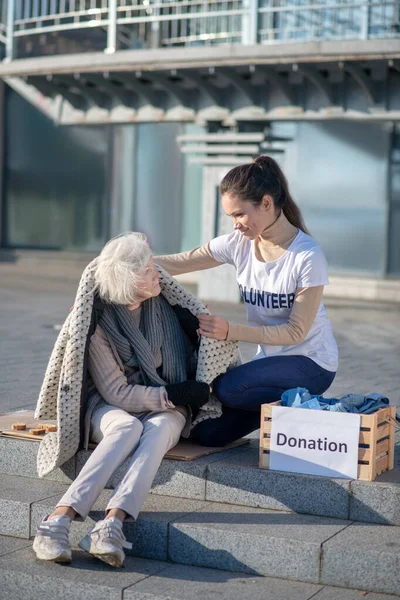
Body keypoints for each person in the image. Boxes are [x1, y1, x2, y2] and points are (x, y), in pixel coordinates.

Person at [32, 232, 221, 568]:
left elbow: (201, 347)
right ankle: (58, 520)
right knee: (126, 428)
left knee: (162, 426)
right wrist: (171, 394)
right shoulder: (97, 325)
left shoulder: (164, 305)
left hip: (164, 403)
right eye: (148, 270)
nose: (157, 273)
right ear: (129, 284)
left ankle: (112, 524)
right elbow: (117, 393)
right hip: (110, 404)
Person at [156, 155, 338, 437]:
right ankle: (284, 412)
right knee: (208, 434)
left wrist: (230, 331)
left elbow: (295, 332)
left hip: (311, 362)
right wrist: (123, 261)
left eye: (239, 214)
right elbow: (181, 262)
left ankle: (313, 410)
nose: (235, 225)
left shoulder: (307, 255)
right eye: (231, 216)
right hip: (269, 361)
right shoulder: (238, 244)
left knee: (230, 389)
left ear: (266, 203)